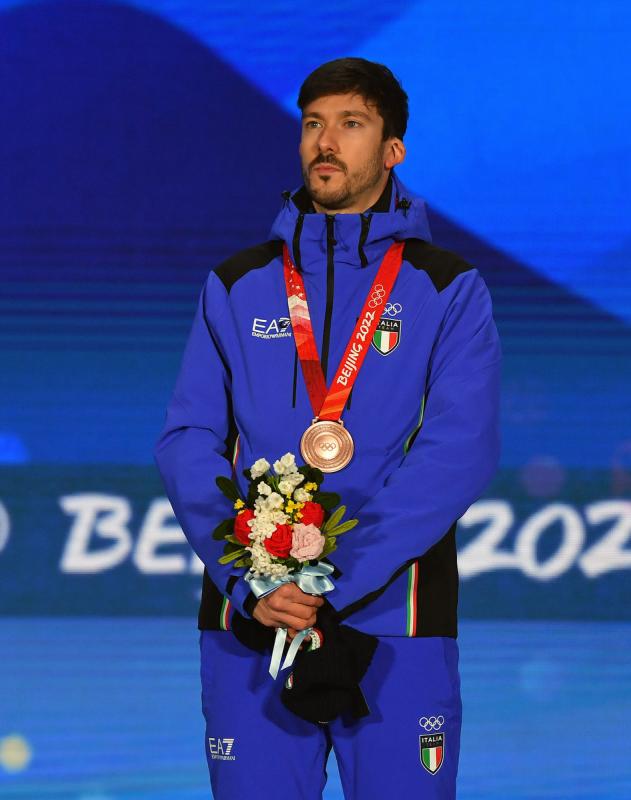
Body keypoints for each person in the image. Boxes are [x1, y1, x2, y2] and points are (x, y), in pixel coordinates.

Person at [154, 57, 501, 799]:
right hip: (251, 619)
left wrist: (329, 580)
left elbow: (459, 450)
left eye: (351, 124)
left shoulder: (446, 286)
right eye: (313, 124)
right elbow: (188, 441)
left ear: (392, 148)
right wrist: (252, 580)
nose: (325, 142)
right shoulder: (237, 283)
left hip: (394, 622)